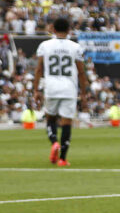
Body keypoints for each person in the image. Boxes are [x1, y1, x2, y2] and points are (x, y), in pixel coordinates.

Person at [32, 17, 88, 167]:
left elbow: (39, 69)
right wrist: (83, 93)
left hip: (51, 87)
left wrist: (36, 90)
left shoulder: (45, 45)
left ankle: (54, 142)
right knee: (66, 123)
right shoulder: (75, 47)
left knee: (50, 119)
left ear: (53, 29)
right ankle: (63, 159)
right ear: (69, 30)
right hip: (69, 89)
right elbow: (81, 72)